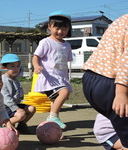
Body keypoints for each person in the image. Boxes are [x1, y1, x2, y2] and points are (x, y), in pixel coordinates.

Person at [82, 14, 128, 149]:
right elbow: (127, 62)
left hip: (91, 78)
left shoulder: (122, 19)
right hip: (111, 83)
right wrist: (121, 93)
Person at [32, 11, 72, 129]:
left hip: (61, 78)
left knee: (55, 101)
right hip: (49, 78)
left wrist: (67, 78)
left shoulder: (67, 45)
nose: (60, 31)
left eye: (64, 28)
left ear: (68, 29)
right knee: (64, 92)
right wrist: (36, 66)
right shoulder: (46, 42)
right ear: (50, 27)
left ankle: (52, 125)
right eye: (57, 28)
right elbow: (36, 57)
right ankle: (53, 117)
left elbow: (65, 63)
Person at [0, 53, 36, 134]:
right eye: (12, 66)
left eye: (18, 66)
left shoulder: (15, 79)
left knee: (32, 109)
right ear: (4, 68)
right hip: (4, 107)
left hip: (14, 105)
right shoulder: (3, 80)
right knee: (21, 114)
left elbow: (19, 93)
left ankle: (21, 125)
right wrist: (17, 109)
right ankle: (3, 125)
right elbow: (6, 98)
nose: (16, 69)